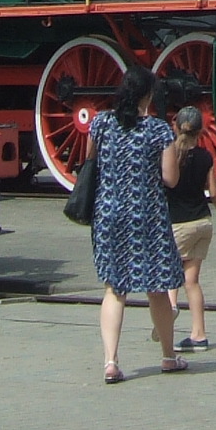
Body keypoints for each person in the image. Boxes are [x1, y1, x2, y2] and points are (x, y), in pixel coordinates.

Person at [90, 64, 184, 384]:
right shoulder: (158, 130)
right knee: (157, 288)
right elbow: (170, 179)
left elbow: (91, 163)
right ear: (147, 95)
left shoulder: (101, 124)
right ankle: (168, 356)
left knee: (115, 289)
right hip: (148, 217)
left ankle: (110, 362)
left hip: (109, 214)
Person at [164, 103, 216, 352]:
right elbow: (213, 191)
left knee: (169, 275)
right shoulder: (205, 157)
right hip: (203, 223)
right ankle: (199, 335)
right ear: (201, 131)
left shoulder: (170, 155)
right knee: (191, 281)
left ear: (175, 126)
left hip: (177, 224)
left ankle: (170, 309)